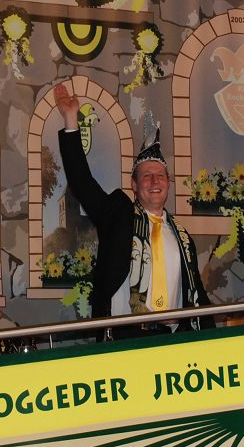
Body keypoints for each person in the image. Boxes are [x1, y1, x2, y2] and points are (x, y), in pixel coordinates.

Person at [54, 83, 213, 340]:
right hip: (126, 338)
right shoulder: (118, 215)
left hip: (174, 340)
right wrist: (71, 119)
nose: (154, 181)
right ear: (134, 186)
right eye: (146, 175)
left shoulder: (183, 237)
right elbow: (82, 182)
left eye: (160, 175)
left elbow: (198, 295)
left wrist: (214, 341)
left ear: (168, 184)